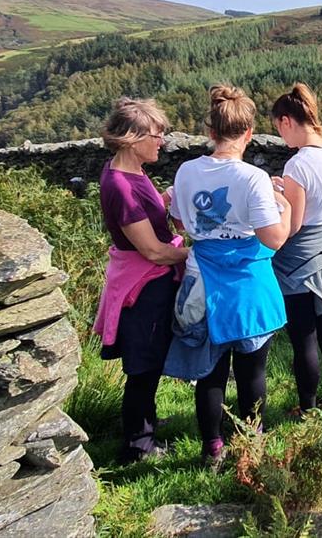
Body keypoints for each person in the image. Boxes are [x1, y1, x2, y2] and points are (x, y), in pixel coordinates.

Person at [163, 84, 292, 467]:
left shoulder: (186, 171)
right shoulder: (254, 178)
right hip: (247, 288)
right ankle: (251, 444)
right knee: (252, 371)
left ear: (211, 131)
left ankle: (212, 448)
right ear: (249, 133)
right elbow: (274, 239)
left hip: (202, 281)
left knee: (210, 372)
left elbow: (182, 220)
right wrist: (282, 204)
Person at [92, 98, 188, 463]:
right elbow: (151, 250)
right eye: (156, 134)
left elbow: (147, 218)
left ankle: (144, 423)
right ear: (131, 138)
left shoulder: (132, 173)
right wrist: (198, 255)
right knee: (143, 365)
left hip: (147, 281)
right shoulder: (121, 185)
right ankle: (138, 446)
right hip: (143, 286)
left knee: (148, 361)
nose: (162, 141)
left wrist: (169, 198)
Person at [269, 83, 322, 414]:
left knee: (303, 336)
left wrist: (276, 194)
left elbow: (294, 224)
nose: (281, 138)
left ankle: (307, 407)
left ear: (287, 120)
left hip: (300, 261)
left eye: (278, 129)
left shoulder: (297, 165)